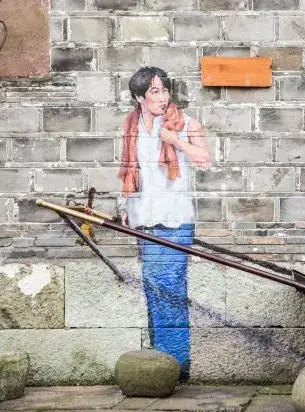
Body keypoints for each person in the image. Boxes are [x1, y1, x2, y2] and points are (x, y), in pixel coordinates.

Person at [118, 67, 211, 380]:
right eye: (154, 92)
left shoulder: (185, 123)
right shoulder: (131, 126)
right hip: (144, 221)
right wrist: (125, 205)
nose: (162, 97)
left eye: (164, 90)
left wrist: (176, 141)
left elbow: (205, 160)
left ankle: (176, 365)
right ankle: (163, 363)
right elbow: (130, 170)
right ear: (139, 98)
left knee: (170, 290)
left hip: (174, 220)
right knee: (154, 290)